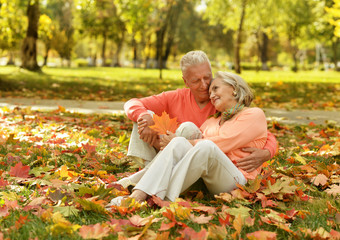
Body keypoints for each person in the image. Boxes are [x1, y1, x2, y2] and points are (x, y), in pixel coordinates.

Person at [110, 71, 267, 204]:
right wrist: (169, 141)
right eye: (210, 92)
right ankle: (140, 193)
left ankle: (151, 195)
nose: (211, 95)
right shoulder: (212, 121)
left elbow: (224, 142)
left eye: (215, 89)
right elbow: (186, 150)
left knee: (205, 146)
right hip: (210, 182)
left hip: (238, 182)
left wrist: (268, 152)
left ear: (233, 88)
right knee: (180, 142)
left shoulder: (253, 114)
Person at [123, 51, 277, 176]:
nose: (204, 85)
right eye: (196, 80)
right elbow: (132, 103)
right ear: (186, 81)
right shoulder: (174, 97)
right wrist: (144, 116)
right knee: (143, 115)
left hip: (199, 161)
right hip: (166, 152)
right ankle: (149, 168)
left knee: (188, 128)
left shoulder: (221, 101)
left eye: (207, 77)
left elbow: (260, 131)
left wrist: (267, 153)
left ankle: (149, 177)